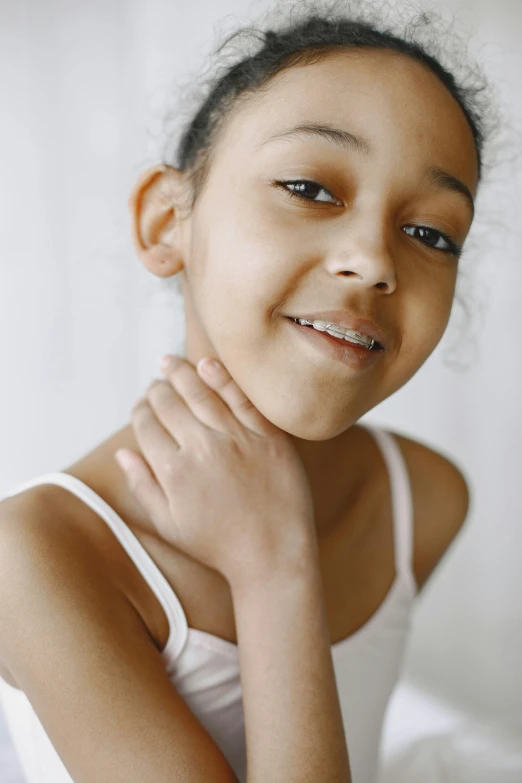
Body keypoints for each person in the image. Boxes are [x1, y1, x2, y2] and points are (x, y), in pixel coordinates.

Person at [0, 1, 495, 781]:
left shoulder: (423, 502)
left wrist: (278, 553)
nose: (373, 260)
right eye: (310, 187)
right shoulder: (39, 555)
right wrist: (273, 567)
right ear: (169, 222)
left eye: (431, 232)